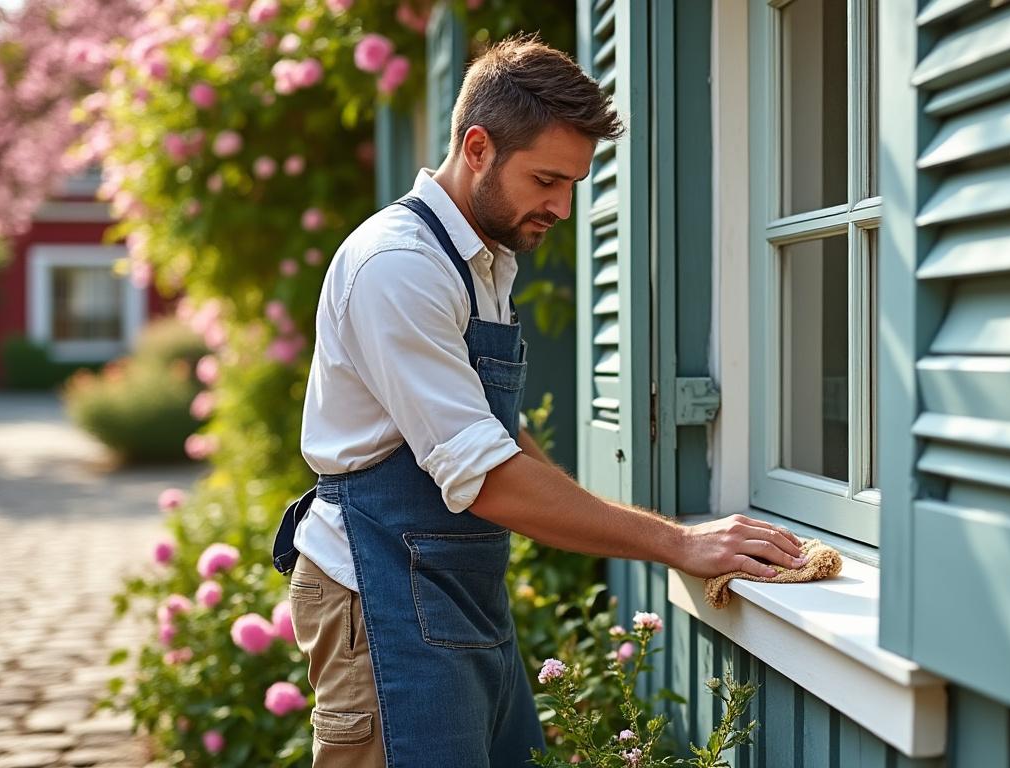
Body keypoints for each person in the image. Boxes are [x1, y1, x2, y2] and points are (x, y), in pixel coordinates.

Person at [270, 34, 805, 768]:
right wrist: (679, 543)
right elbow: (484, 474)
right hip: (380, 594)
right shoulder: (400, 266)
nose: (561, 206)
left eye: (575, 185)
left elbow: (497, 438)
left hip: (453, 589)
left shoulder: (486, 260)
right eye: (547, 179)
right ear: (479, 147)